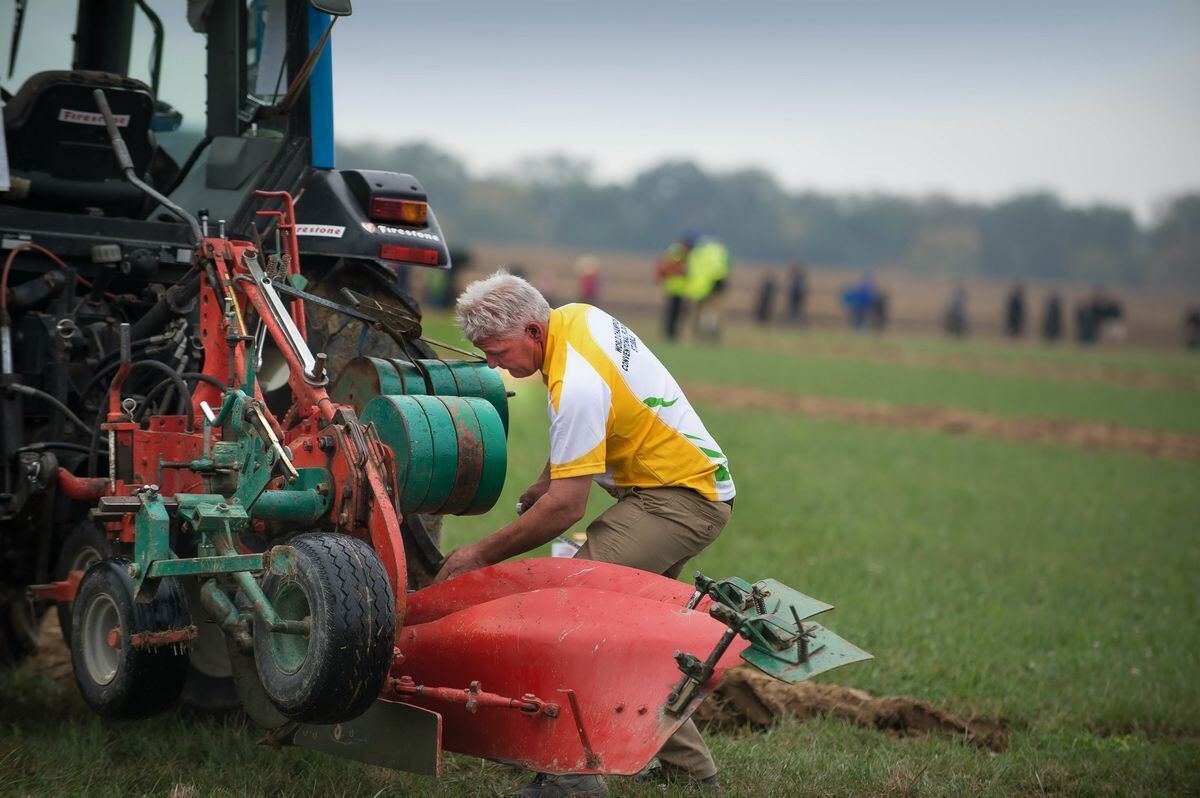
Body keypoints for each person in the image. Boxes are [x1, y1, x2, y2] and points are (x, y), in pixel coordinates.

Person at [438, 271, 735, 797]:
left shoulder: (574, 379)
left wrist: (478, 553)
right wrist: (547, 477)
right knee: (638, 640)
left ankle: (571, 773)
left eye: (497, 350)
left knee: (573, 613)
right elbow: (588, 427)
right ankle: (690, 771)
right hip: (684, 492)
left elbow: (566, 511)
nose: (492, 363)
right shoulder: (575, 320)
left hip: (677, 501)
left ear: (532, 329)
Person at [655, 239, 690, 340]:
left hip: (680, 289)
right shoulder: (678, 251)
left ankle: (673, 333)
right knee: (673, 313)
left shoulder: (676, 251)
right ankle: (670, 334)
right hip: (675, 288)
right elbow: (670, 266)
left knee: (677, 313)